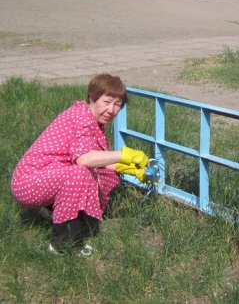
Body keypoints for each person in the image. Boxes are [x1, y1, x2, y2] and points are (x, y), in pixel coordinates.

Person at [11, 74, 150, 256]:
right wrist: (125, 154)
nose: (111, 110)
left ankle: (61, 213)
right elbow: (84, 159)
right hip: (28, 183)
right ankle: (63, 244)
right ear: (92, 98)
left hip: (47, 177)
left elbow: (98, 162)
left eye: (117, 105)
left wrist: (126, 167)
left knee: (106, 175)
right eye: (106, 101)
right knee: (79, 174)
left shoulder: (90, 119)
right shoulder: (82, 118)